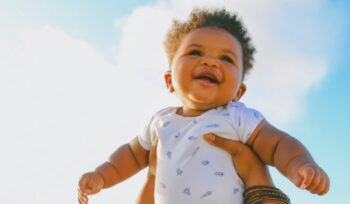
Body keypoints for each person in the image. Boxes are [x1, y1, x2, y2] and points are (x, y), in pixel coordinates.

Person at [78, 8, 329, 204]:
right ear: (169, 81)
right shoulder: (160, 122)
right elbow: (131, 155)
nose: (210, 62)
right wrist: (102, 176)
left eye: (226, 58)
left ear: (238, 92)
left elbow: (277, 145)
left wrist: (301, 164)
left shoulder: (238, 118)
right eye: (195, 53)